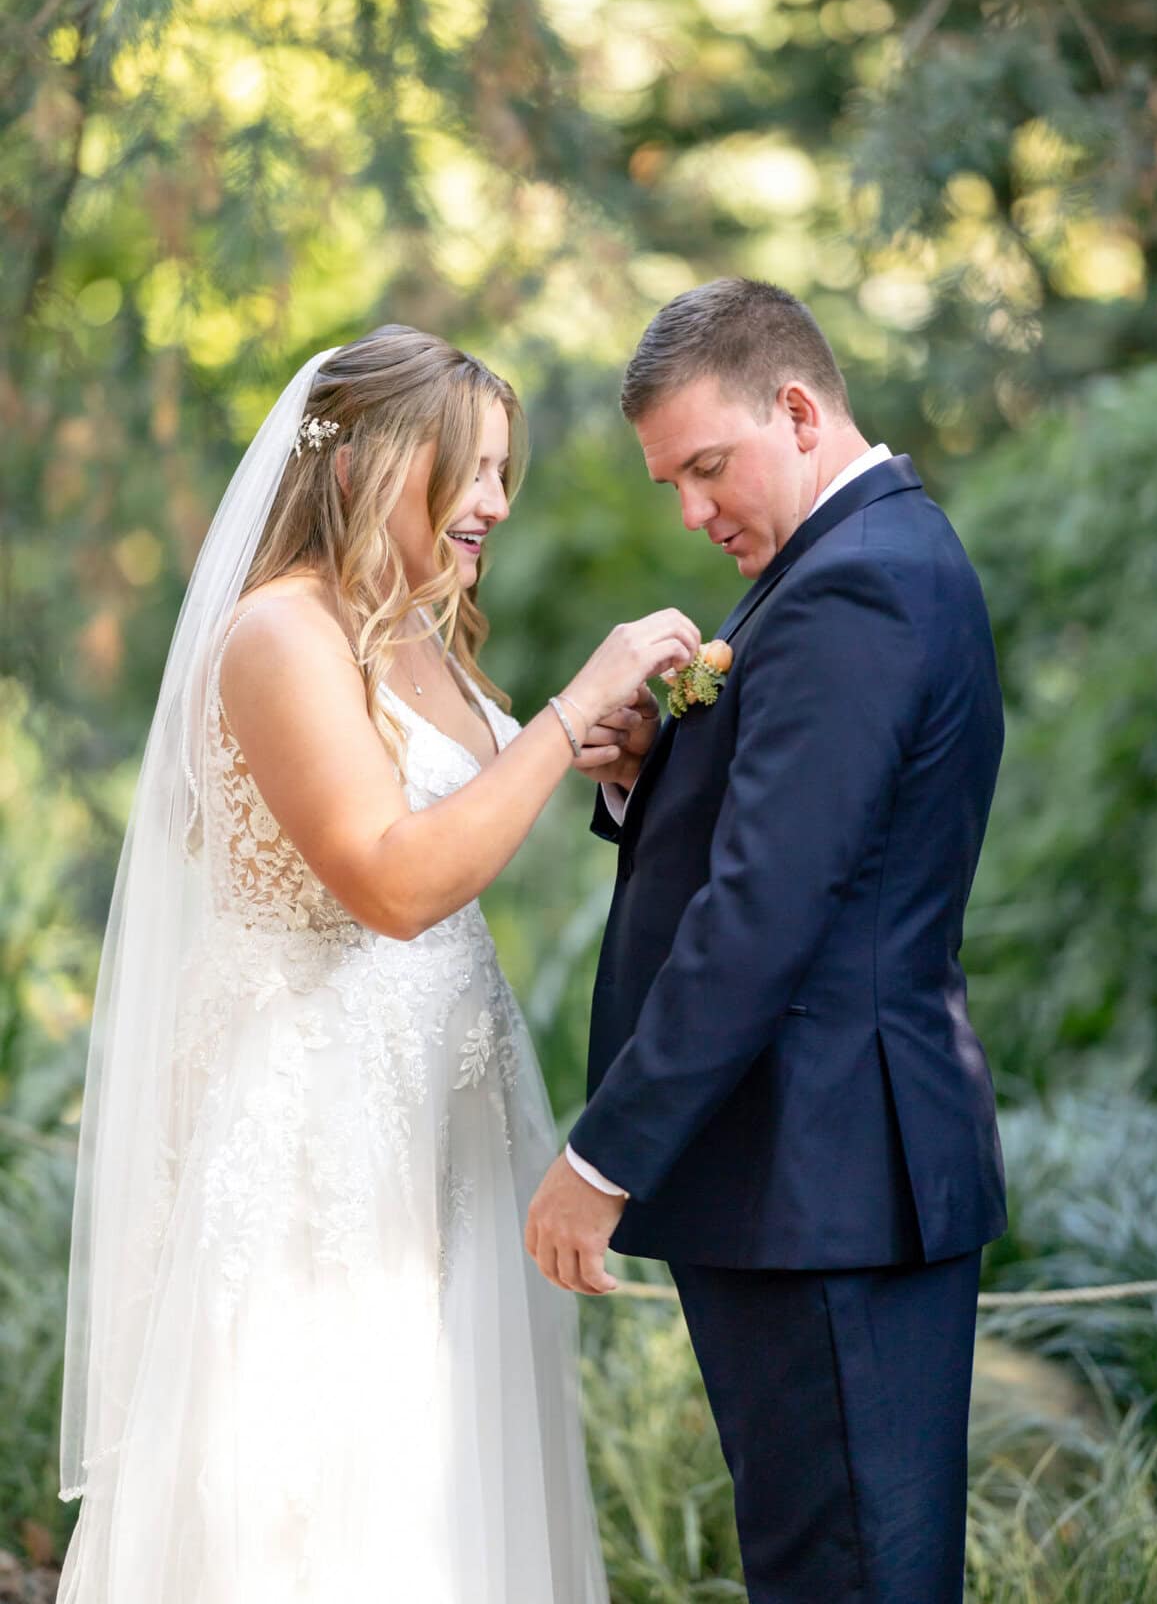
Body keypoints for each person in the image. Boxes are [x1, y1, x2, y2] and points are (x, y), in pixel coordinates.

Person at [57, 324, 700, 1603]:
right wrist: (570, 707)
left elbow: (473, 803)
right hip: (322, 1133)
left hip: (446, 1122)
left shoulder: (420, 630)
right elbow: (394, 880)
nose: (496, 503)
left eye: (503, 472)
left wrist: (603, 755)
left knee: (452, 1490)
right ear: (363, 467)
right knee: (327, 1493)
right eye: (469, 471)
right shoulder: (278, 636)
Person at [526, 278, 1007, 1603]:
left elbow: (766, 910)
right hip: (813, 1182)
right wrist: (640, 776)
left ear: (799, 411)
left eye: (706, 465)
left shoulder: (858, 586)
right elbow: (790, 849)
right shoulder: (850, 567)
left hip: (829, 1179)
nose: (690, 509)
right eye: (668, 481)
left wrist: (605, 1151)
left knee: (843, 1577)